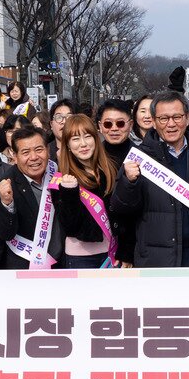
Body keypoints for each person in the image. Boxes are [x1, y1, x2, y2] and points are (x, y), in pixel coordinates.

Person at [111, 92, 189, 268]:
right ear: (153, 122)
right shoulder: (139, 158)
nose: (170, 124)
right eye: (163, 118)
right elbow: (121, 209)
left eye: (177, 117)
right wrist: (128, 182)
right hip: (156, 260)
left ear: (187, 117)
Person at [53, 114, 121, 268]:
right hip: (80, 258)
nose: (83, 144)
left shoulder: (111, 169)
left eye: (87, 136)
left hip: (113, 253)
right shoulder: (61, 178)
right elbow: (69, 226)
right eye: (75, 139)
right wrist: (69, 191)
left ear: (96, 139)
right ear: (68, 145)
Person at [0, 126, 64, 269]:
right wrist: (7, 204)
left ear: (48, 150)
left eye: (39, 149)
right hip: (25, 265)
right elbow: (4, 234)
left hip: (63, 261)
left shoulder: (61, 174)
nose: (34, 157)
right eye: (25, 152)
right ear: (14, 156)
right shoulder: (4, 185)